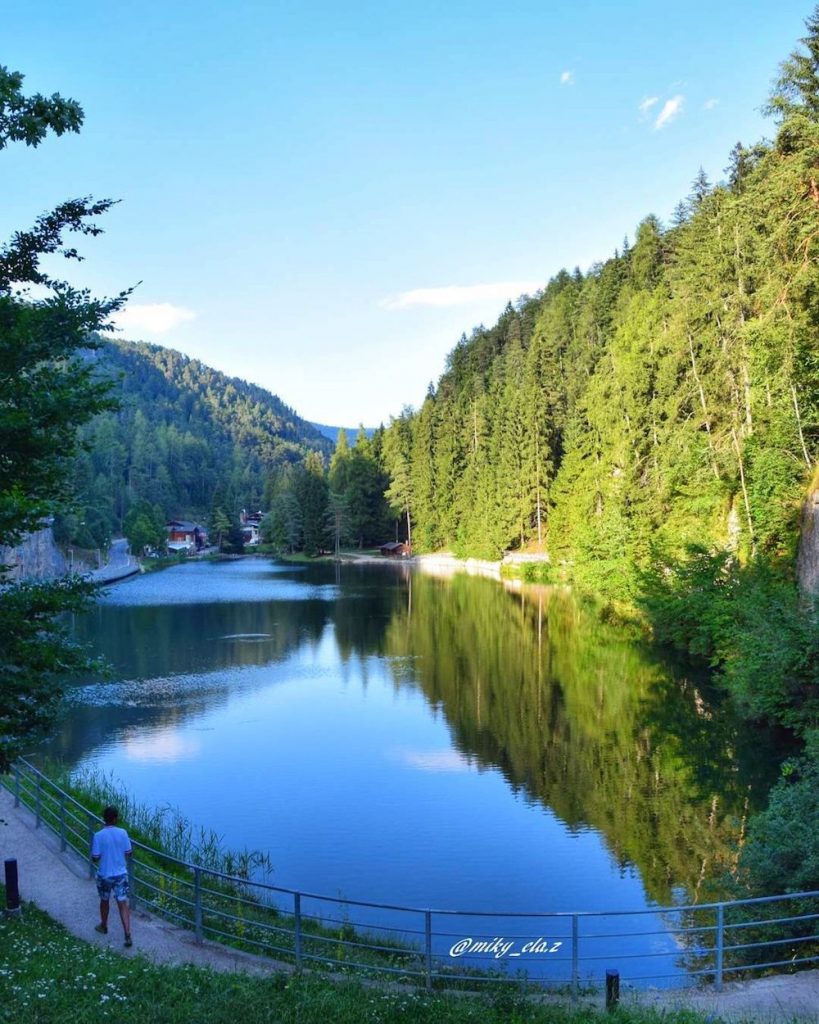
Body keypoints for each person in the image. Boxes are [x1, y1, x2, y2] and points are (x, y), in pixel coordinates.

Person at [91, 805, 133, 947]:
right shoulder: (123, 833)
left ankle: (103, 925)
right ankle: (127, 934)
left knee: (104, 900)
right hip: (120, 874)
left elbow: (95, 857)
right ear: (115, 819)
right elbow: (129, 852)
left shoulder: (98, 835)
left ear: (105, 819)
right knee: (122, 903)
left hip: (105, 875)